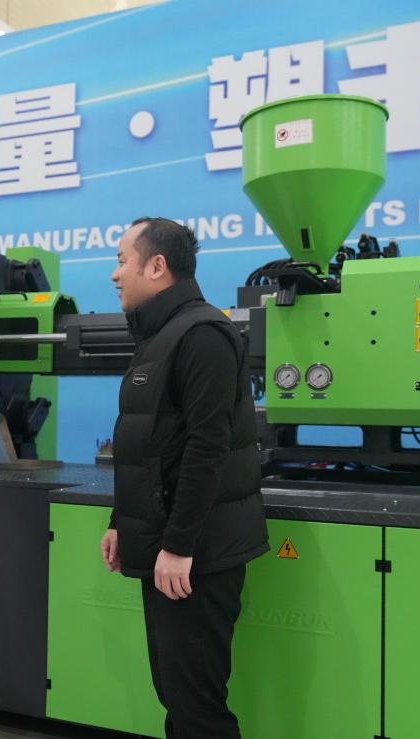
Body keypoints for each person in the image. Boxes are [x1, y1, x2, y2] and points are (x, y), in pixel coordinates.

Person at [100, 217, 269, 738]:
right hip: (167, 548)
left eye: (122, 261)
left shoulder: (202, 335)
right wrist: (119, 522)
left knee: (197, 708)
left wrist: (177, 546)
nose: (115, 274)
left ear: (157, 266)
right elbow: (150, 446)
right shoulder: (160, 335)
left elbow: (206, 448)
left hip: (197, 556)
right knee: (175, 693)